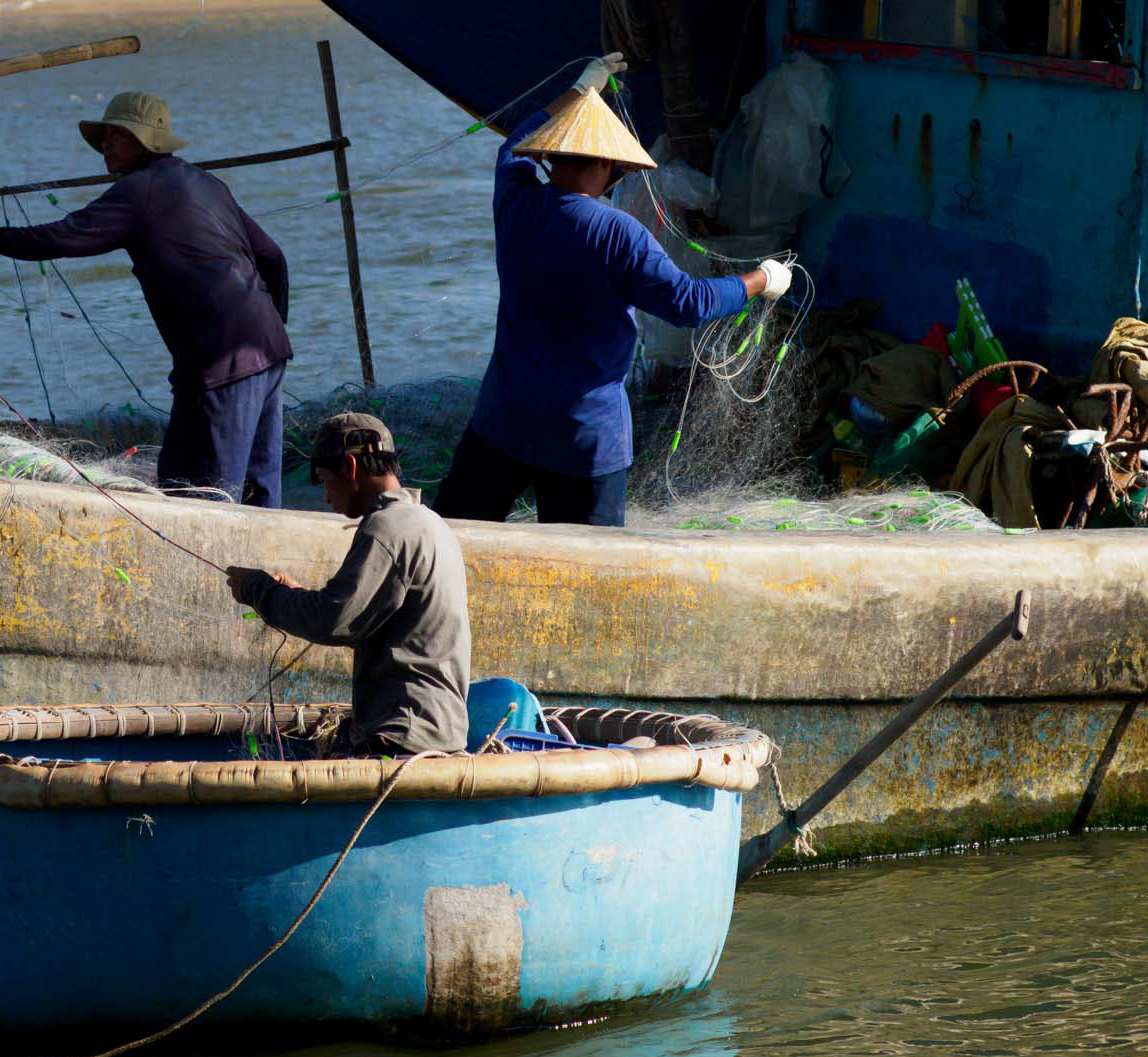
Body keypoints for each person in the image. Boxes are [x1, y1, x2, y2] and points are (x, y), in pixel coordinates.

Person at [434, 55, 791, 528]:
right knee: (586, 578)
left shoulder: (515, 203)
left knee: (455, 543)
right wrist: (761, 279)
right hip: (583, 440)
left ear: (553, 152)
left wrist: (581, 89)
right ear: (607, 162)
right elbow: (690, 304)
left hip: (502, 423)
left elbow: (513, 147)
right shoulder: (619, 233)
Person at [0, 90, 293, 507]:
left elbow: (64, 237)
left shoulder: (139, 192)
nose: (105, 147)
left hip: (223, 363)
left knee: (208, 499)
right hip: (266, 351)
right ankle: (274, 574)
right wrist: (271, 327)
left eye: (116, 137)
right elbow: (273, 258)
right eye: (103, 138)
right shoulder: (206, 182)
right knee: (248, 490)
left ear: (143, 141)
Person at [224, 412, 470, 756]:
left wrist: (257, 589)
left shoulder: (387, 529)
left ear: (350, 468)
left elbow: (333, 620)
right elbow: (383, 624)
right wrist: (295, 595)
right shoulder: (430, 524)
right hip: (436, 731)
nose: (326, 498)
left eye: (325, 482)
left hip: (403, 738)